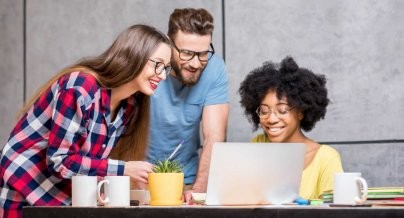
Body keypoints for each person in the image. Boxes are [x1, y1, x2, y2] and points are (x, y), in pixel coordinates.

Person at [0, 24, 172, 218]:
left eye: (166, 68)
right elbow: (60, 161)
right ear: (135, 55)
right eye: (157, 64)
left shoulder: (131, 105)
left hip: (64, 191)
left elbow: (89, 163)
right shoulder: (80, 88)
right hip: (23, 182)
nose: (162, 75)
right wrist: (123, 169)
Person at [146, 8, 229, 202]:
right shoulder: (148, 63)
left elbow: (214, 136)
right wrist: (134, 182)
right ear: (168, 43)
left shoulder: (215, 68)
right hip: (138, 179)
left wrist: (199, 191)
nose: (195, 63)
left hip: (188, 182)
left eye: (202, 54)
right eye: (186, 53)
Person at [238, 56, 343, 200]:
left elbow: (334, 213)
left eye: (282, 110)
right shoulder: (258, 144)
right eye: (264, 111)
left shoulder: (326, 159)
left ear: (301, 112)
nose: (271, 119)